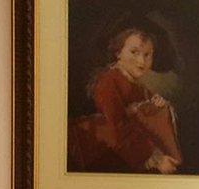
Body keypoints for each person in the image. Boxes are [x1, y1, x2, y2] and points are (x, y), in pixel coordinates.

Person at [68, 28, 182, 174]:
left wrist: (157, 105)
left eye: (147, 55)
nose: (142, 61)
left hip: (127, 151)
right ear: (118, 53)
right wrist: (157, 159)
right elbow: (119, 127)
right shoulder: (108, 82)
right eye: (134, 52)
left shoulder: (139, 87)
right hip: (99, 151)